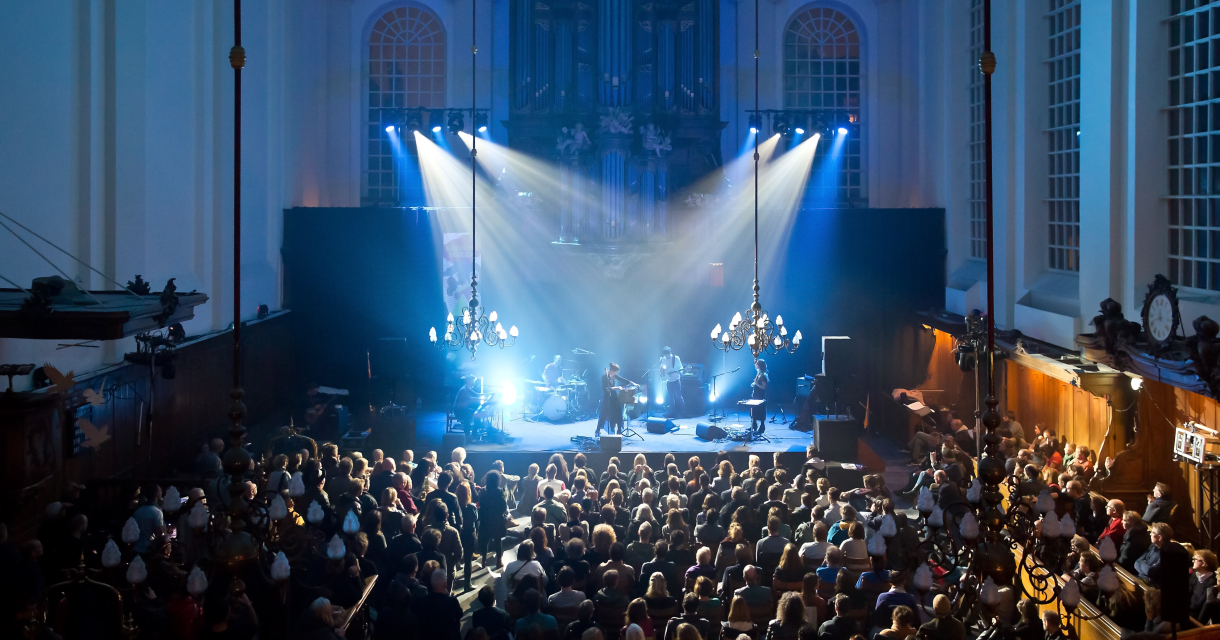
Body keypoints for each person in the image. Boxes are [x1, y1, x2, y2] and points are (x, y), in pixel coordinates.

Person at [597, 363, 628, 437]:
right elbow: (606, 389)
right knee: (604, 415)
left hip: (614, 398)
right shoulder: (605, 377)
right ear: (612, 370)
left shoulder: (614, 376)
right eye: (616, 372)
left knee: (619, 414)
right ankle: (597, 430)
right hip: (607, 398)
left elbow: (622, 379)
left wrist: (631, 383)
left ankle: (619, 430)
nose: (616, 373)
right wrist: (617, 388)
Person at [659, 347, 686, 418]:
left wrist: (674, 372)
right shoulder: (663, 359)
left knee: (678, 396)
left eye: (667, 354)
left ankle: (682, 412)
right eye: (665, 354)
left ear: (670, 353)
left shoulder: (676, 358)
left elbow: (680, 368)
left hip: (676, 380)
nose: (666, 356)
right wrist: (663, 373)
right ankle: (672, 412)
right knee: (670, 397)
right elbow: (663, 369)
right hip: (669, 381)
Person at [750, 359, 769, 436]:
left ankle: (761, 427)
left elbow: (763, 387)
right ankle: (754, 426)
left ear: (759, 365)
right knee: (754, 411)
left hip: (760, 397)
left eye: (757, 364)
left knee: (760, 411)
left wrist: (756, 383)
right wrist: (754, 384)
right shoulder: (759, 374)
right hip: (756, 396)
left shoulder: (763, 375)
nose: (755, 365)